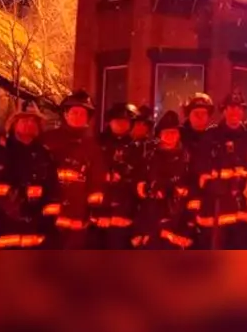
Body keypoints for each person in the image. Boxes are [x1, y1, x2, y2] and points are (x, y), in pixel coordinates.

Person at [0, 101, 58, 250]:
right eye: (24, 120)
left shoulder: (44, 155)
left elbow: (52, 190)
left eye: (33, 121)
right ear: (13, 124)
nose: (29, 124)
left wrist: (48, 222)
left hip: (31, 230)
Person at [42, 89, 107, 249]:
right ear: (65, 114)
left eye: (82, 114)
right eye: (74, 112)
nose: (78, 116)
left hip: (78, 215)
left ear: (88, 118)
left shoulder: (93, 148)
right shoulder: (47, 140)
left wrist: (93, 212)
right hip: (47, 214)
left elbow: (96, 184)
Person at [191, 92, 247, 249]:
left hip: (242, 207)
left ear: (242, 112)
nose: (235, 112)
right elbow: (199, 168)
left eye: (239, 108)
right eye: (231, 108)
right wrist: (213, 184)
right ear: (224, 110)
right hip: (215, 206)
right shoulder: (210, 136)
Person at [131, 110, 197, 249]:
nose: (171, 136)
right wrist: (146, 188)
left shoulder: (188, 157)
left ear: (179, 134)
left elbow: (194, 182)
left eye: (174, 132)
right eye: (166, 132)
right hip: (152, 214)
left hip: (179, 216)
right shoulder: (149, 156)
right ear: (159, 135)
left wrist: (185, 192)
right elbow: (138, 182)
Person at [95, 102, 141, 249]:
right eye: (117, 120)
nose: (121, 124)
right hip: (97, 212)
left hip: (125, 213)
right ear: (110, 122)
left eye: (125, 121)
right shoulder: (96, 144)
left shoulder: (138, 148)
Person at [181, 93, 214, 161]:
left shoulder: (214, 136)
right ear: (188, 115)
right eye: (196, 113)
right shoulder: (180, 137)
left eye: (203, 113)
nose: (200, 117)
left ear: (208, 116)